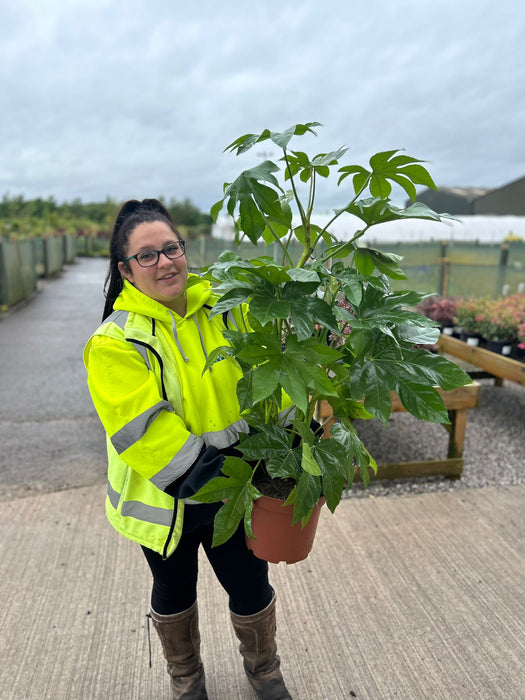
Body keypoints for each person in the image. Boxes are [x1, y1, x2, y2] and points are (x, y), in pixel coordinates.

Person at [83, 199, 292, 700]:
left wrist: (294, 436)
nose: (165, 262)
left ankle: (264, 671)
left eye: (171, 248)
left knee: (250, 585)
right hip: (169, 501)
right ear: (126, 271)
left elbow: (271, 382)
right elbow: (146, 432)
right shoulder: (114, 342)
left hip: (237, 492)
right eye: (147, 255)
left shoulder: (229, 309)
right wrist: (224, 478)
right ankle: (186, 678)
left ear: (185, 249)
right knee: (174, 591)